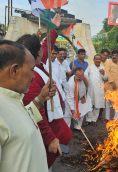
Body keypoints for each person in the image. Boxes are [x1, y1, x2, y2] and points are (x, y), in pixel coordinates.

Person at [17, 33, 72, 168]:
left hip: (52, 120)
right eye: (41, 47)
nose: (44, 49)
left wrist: (53, 29)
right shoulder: (32, 75)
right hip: (45, 130)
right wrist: (50, 138)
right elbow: (37, 112)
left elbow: (47, 47)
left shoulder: (39, 64)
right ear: (38, 53)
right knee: (42, 164)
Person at [0, 40, 55, 172]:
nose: (34, 77)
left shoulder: (12, 98)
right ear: (14, 71)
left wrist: (41, 98)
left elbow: (22, 117)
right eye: (31, 70)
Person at [88, 54, 108, 126]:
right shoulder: (90, 67)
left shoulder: (103, 67)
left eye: (99, 59)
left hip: (99, 90)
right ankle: (88, 119)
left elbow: (106, 79)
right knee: (90, 105)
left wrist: (103, 74)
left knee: (97, 105)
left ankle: (94, 120)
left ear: (100, 60)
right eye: (96, 59)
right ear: (93, 60)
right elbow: (85, 77)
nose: (97, 60)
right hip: (90, 90)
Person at [104, 50, 118, 120]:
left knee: (117, 102)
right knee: (108, 102)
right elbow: (107, 72)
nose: (114, 57)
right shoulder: (108, 62)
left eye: (116, 56)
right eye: (113, 55)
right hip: (109, 86)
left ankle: (116, 118)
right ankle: (107, 118)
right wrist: (112, 82)